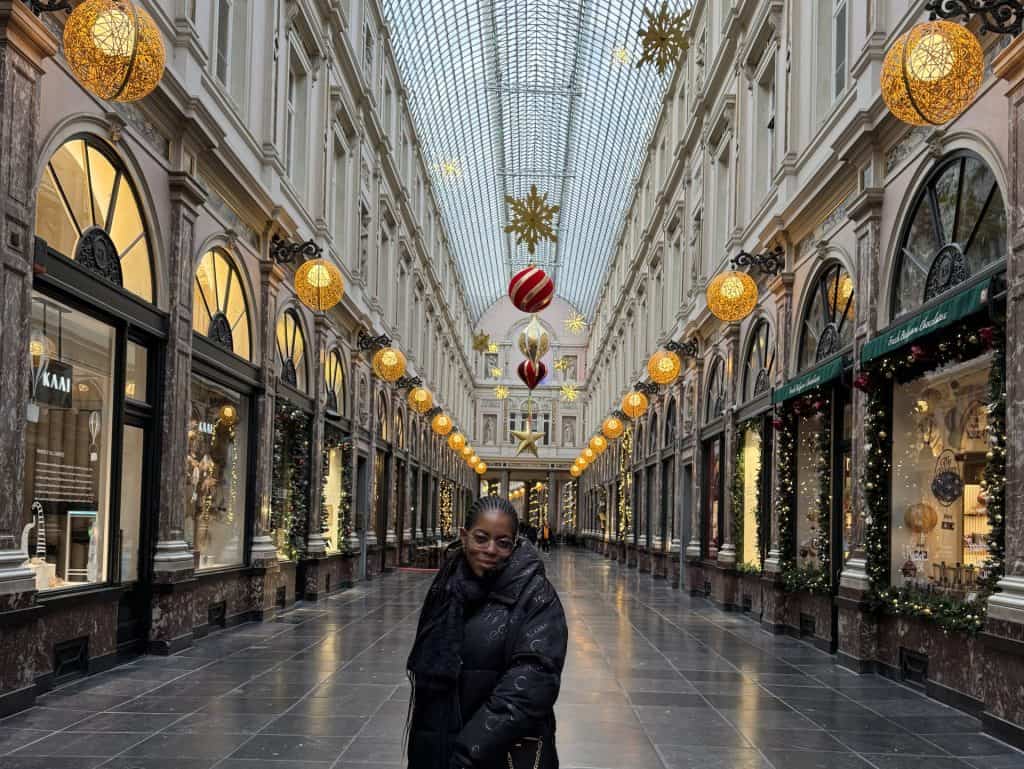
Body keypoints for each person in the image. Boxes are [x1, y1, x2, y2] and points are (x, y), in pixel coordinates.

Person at [405, 496, 567, 769]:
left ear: (514, 545)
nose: (490, 549)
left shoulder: (536, 596)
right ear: (464, 536)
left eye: (503, 543)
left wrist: (468, 752)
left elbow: (531, 685)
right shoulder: (446, 586)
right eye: (481, 538)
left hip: (497, 754)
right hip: (438, 745)